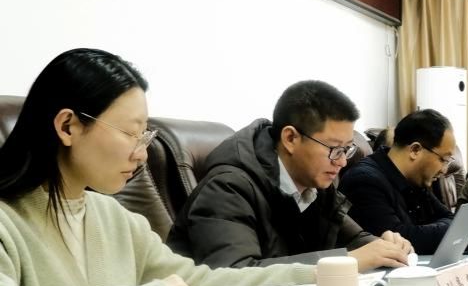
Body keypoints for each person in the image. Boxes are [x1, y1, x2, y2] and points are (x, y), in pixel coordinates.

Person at [0, 49, 316, 286]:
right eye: (130, 133)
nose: (142, 154)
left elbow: (198, 285)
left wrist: (315, 276)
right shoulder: (6, 221)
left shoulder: (116, 217)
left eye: (145, 136)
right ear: (68, 127)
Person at [167, 81, 412, 270]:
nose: (342, 161)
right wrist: (346, 262)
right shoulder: (227, 188)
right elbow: (236, 275)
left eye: (347, 149)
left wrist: (385, 246)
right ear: (290, 138)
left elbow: (356, 240)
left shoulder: (316, 184)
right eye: (334, 149)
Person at [340, 110, 468, 255]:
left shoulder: (415, 178)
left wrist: (422, 233)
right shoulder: (364, 181)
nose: (444, 170)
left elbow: (449, 218)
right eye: (443, 159)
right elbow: (397, 243)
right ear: (415, 150)